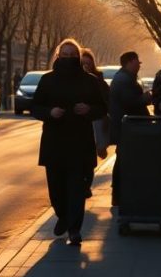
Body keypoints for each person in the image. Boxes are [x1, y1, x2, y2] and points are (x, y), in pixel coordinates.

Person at [32, 39, 107, 246]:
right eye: (64, 55)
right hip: (54, 143)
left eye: (72, 55)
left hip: (79, 143)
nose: (68, 58)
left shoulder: (90, 81)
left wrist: (88, 109)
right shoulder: (47, 80)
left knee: (76, 190)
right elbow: (35, 107)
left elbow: (102, 108)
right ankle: (63, 216)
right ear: (58, 56)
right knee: (56, 190)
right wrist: (50, 112)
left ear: (78, 57)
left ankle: (74, 229)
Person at [108, 50, 148, 206]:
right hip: (128, 129)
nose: (139, 64)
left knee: (122, 160)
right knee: (124, 162)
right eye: (138, 61)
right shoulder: (124, 80)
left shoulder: (123, 77)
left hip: (127, 128)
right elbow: (130, 103)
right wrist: (146, 98)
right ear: (130, 62)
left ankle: (118, 194)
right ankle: (119, 195)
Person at [80, 48, 111, 196]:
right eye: (83, 63)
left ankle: (86, 185)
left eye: (88, 63)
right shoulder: (74, 80)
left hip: (95, 123)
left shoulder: (99, 80)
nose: (86, 66)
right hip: (79, 125)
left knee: (90, 159)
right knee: (81, 158)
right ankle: (81, 186)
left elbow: (105, 103)